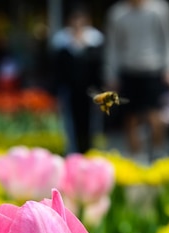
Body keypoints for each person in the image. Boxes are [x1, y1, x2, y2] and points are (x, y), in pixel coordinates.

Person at [104, 0, 169, 161]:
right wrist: (111, 74)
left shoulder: (160, 9)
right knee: (130, 118)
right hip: (128, 70)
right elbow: (112, 47)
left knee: (156, 115)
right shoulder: (117, 13)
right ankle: (135, 158)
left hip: (154, 69)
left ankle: (158, 155)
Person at [51, 5, 104, 154]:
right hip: (70, 91)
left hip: (91, 91)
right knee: (70, 124)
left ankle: (90, 151)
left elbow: (99, 69)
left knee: (92, 125)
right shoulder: (62, 42)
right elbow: (57, 71)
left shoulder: (95, 41)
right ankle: (73, 153)